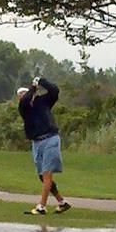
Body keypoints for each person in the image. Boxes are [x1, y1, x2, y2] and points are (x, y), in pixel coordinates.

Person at [17, 77, 71, 215]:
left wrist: (41, 81)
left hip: (50, 139)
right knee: (42, 176)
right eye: (20, 95)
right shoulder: (23, 108)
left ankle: (41, 206)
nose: (22, 97)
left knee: (47, 175)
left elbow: (54, 91)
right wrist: (33, 88)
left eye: (24, 93)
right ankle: (62, 202)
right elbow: (25, 100)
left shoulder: (43, 102)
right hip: (36, 142)